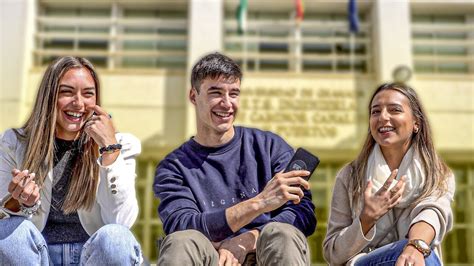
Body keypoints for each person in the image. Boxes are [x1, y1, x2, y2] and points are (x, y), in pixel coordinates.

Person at [154, 52, 316, 266]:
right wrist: (260, 202)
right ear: (194, 96)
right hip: (210, 259)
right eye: (216, 92)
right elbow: (183, 224)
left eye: (234, 93)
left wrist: (249, 239)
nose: (227, 103)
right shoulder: (174, 167)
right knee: (182, 241)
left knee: (282, 233)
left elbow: (302, 212)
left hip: (265, 253)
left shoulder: (270, 147)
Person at [0, 56, 142, 265]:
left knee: (116, 239)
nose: (79, 103)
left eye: (88, 94)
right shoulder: (14, 143)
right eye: (66, 92)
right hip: (37, 256)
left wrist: (110, 150)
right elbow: (4, 218)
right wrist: (20, 202)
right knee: (9, 231)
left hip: (94, 257)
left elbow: (122, 221)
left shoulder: (122, 145)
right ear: (49, 97)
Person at [323, 83, 455, 266]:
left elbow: (432, 213)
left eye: (395, 110)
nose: (383, 117)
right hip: (364, 263)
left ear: (416, 122)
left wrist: (415, 247)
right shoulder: (350, 176)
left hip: (415, 257)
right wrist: (366, 219)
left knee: (419, 253)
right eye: (375, 112)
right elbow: (333, 254)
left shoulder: (437, 173)